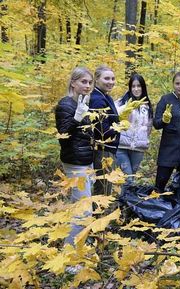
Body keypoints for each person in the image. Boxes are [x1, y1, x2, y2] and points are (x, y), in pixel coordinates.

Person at [55, 67, 93, 245]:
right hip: (75, 163)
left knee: (77, 206)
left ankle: (77, 244)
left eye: (89, 82)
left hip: (85, 161)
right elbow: (63, 134)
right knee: (84, 211)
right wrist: (77, 118)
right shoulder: (65, 104)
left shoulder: (82, 102)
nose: (87, 86)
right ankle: (70, 256)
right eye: (83, 82)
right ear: (73, 83)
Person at [115, 74, 153, 192]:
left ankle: (126, 204)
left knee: (131, 178)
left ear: (143, 88)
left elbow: (149, 126)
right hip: (121, 146)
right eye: (133, 86)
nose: (136, 89)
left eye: (139, 86)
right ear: (130, 87)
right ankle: (124, 206)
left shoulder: (147, 106)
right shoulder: (121, 102)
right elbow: (114, 119)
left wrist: (144, 138)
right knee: (128, 178)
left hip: (138, 148)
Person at [89, 65, 119, 195]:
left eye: (112, 78)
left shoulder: (106, 97)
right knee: (103, 189)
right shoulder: (97, 99)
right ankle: (99, 215)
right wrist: (120, 127)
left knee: (105, 186)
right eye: (106, 78)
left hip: (108, 149)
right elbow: (102, 131)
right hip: (103, 150)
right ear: (96, 79)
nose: (111, 82)